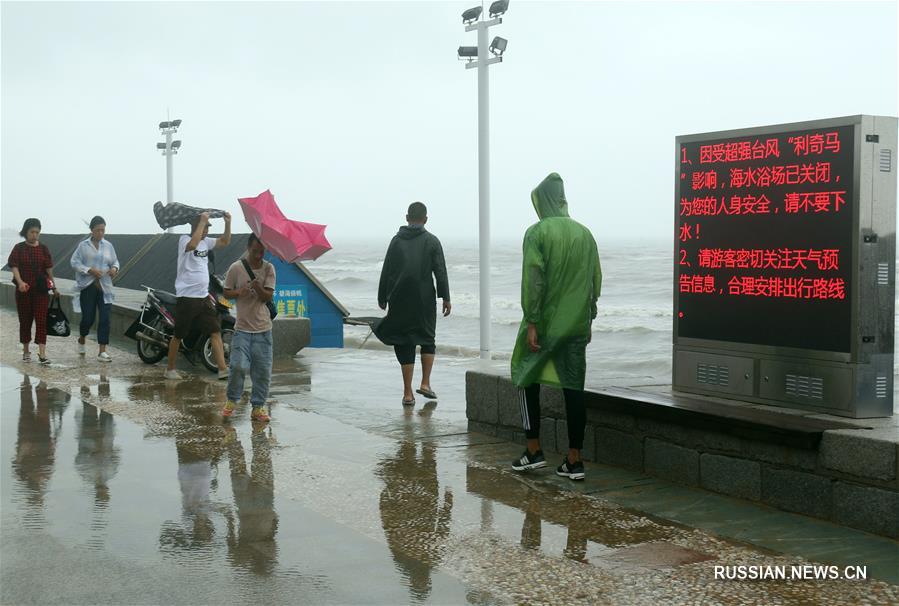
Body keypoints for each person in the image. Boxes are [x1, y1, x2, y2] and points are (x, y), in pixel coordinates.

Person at [510, 173, 602, 481]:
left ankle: (533, 450)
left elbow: (533, 278)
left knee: (524, 375)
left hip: (546, 324)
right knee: (574, 389)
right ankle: (574, 460)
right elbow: (594, 280)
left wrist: (532, 320)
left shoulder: (536, 232)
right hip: (577, 325)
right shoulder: (586, 234)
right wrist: (589, 316)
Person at [373, 201, 451, 406]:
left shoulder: (396, 241)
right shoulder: (432, 241)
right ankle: (425, 383)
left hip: (399, 298)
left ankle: (408, 393)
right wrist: (446, 297)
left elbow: (387, 269)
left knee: (404, 341)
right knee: (427, 338)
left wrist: (382, 296)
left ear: (407, 218)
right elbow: (440, 271)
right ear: (425, 219)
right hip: (424, 299)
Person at [165, 211, 232, 380]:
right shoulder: (184, 240)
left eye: (208, 228)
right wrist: (201, 221)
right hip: (187, 297)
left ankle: (222, 369)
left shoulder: (206, 242)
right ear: (195, 227)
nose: (206, 231)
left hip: (203, 297)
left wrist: (227, 223)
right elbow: (192, 245)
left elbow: (224, 241)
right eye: (204, 227)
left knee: (215, 331)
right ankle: (170, 369)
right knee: (179, 334)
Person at [221, 233, 276, 423]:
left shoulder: (269, 269)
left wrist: (258, 287)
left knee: (262, 372)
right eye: (255, 251)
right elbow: (226, 293)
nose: (259, 255)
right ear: (248, 248)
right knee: (237, 366)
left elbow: (267, 296)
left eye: (262, 251)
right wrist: (240, 291)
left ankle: (258, 407)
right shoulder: (236, 268)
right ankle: (232, 400)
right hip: (242, 329)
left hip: (263, 329)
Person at [8, 218, 59, 364]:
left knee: (41, 321)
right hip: (24, 291)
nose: (35, 235)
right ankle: (26, 351)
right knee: (25, 321)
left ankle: (42, 354)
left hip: (41, 291)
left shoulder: (44, 249)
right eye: (32, 232)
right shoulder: (19, 248)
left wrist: (53, 287)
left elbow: (48, 270)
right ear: (26, 232)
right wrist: (20, 282)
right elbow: (14, 266)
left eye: (37, 232)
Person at [70, 216, 120, 362]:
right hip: (88, 286)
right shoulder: (83, 246)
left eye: (103, 230)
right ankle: (81, 338)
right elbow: (74, 262)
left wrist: (114, 268)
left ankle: (102, 351)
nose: (100, 233)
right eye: (98, 230)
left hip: (105, 287)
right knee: (88, 318)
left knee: (105, 318)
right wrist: (89, 270)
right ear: (92, 230)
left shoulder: (108, 246)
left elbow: (115, 261)